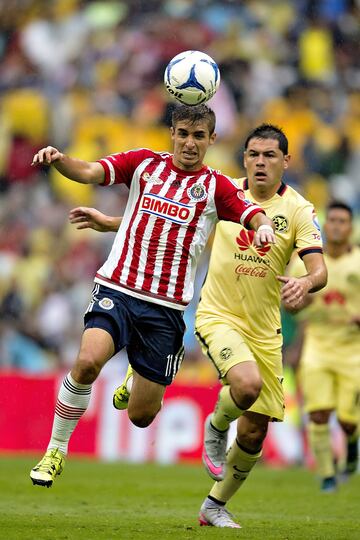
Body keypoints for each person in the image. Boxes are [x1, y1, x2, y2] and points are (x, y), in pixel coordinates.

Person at [76, 123, 328, 528]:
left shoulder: (298, 210)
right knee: (245, 386)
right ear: (244, 158)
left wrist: (305, 281)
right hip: (217, 314)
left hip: (265, 330)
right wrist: (108, 222)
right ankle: (214, 424)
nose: (260, 162)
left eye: (269, 156)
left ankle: (214, 505)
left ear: (286, 160)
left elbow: (319, 269)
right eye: (253, 155)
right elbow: (158, 219)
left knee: (254, 432)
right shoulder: (221, 192)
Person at [29, 104, 276, 488]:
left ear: (211, 139)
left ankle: (135, 373)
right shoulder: (144, 164)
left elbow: (252, 213)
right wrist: (59, 160)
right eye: (182, 133)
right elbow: (92, 171)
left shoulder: (217, 187)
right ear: (172, 133)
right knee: (88, 361)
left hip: (165, 310)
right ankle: (55, 450)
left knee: (142, 416)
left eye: (198, 136)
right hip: (119, 288)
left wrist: (263, 229)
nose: (188, 143)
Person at [287, 201, 360, 493]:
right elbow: (290, 306)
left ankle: (352, 448)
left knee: (347, 421)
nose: (337, 226)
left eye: (343, 221)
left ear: (350, 228)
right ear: (325, 226)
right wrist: (300, 300)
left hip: (353, 349)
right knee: (318, 414)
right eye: (332, 220)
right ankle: (328, 476)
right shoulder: (305, 262)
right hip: (317, 344)